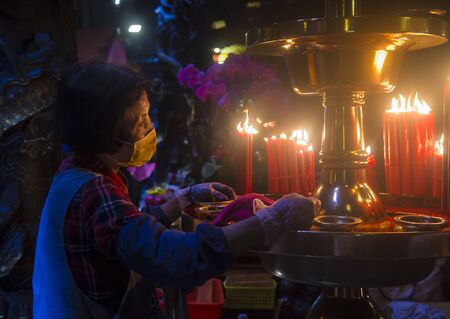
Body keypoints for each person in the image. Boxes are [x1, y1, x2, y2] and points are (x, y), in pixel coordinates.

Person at [32, 63, 319, 319]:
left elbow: (127, 234)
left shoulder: (76, 171)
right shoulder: (95, 192)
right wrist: (273, 219)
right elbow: (175, 258)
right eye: (140, 120)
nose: (149, 128)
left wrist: (182, 200)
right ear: (106, 134)